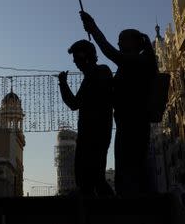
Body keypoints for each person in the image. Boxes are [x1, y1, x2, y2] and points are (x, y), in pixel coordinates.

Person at [80, 11, 157, 196]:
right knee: (125, 172)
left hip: (135, 124)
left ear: (134, 43)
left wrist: (94, 28)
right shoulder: (127, 66)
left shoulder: (140, 60)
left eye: (122, 40)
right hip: (125, 124)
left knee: (132, 171)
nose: (119, 43)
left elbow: (109, 52)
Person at [58, 39, 115, 197]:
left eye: (77, 58)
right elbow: (74, 103)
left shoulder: (101, 73)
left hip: (96, 135)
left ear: (86, 57)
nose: (75, 63)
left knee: (95, 178)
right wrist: (63, 84)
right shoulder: (90, 77)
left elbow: (75, 103)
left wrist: (63, 84)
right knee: (87, 179)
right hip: (88, 135)